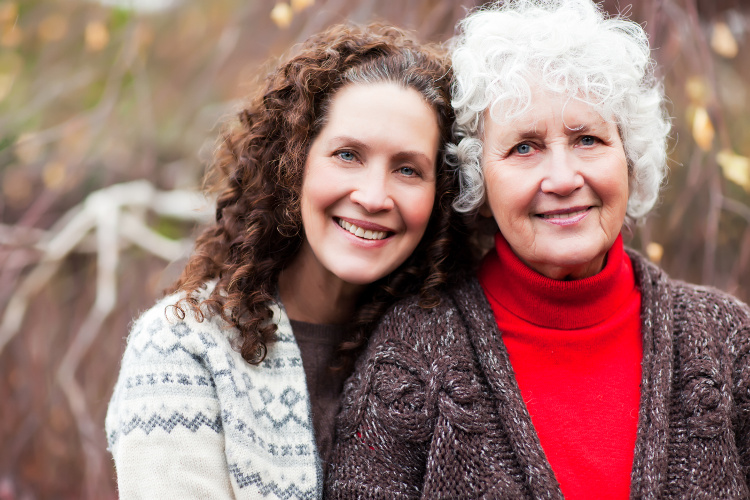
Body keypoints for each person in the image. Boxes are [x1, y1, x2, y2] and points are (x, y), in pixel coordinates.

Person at [327, 1, 750, 498]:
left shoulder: (728, 343)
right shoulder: (410, 356)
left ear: (630, 161)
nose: (564, 179)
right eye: (524, 147)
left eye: (588, 139)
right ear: (477, 183)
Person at [105, 23, 468, 499]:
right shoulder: (182, 351)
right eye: (347, 155)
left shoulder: (450, 351)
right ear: (293, 164)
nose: (375, 196)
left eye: (407, 169)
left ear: (440, 194)